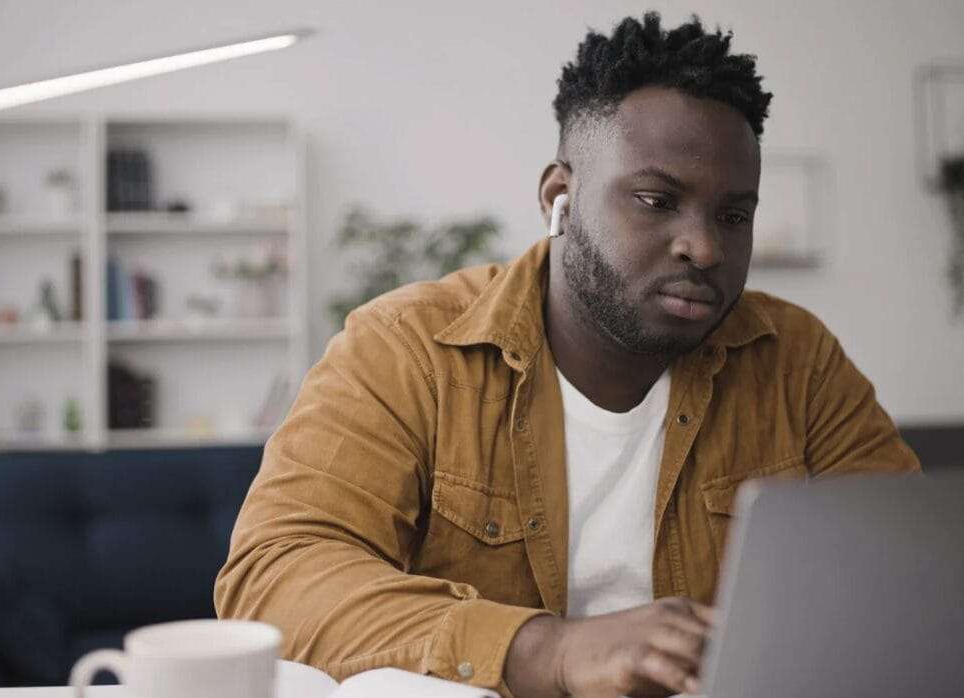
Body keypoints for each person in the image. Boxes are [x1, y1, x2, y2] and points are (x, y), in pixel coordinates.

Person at [215, 12, 920, 698]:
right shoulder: (406, 348)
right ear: (560, 197)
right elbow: (276, 576)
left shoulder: (795, 360)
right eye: (655, 200)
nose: (704, 247)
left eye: (733, 216)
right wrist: (548, 650)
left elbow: (912, 570)